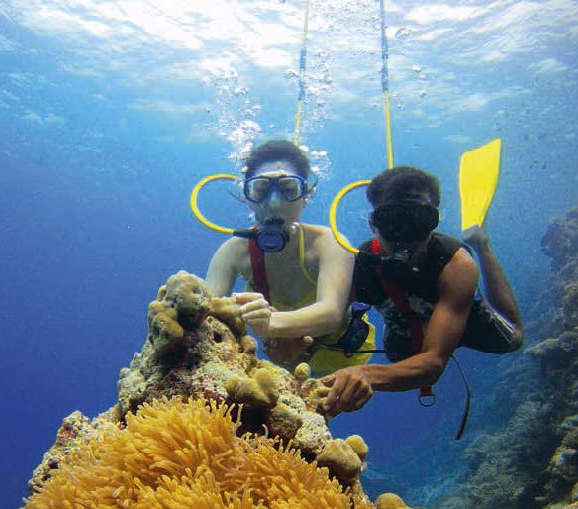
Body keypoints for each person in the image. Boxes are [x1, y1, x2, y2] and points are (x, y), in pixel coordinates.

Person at [321, 165, 523, 416]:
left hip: (465, 322)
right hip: (404, 333)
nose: (405, 237)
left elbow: (433, 364)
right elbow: (326, 316)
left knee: (514, 339)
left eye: (418, 221)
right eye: (393, 222)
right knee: (399, 357)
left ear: (434, 223)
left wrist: (365, 373)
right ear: (374, 224)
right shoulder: (359, 264)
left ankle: (482, 245)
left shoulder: (457, 264)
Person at [206, 139, 375, 374]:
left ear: (306, 195)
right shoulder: (232, 252)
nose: (274, 204)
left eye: (289, 190)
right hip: (285, 370)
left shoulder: (330, 243)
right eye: (261, 190)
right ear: (247, 196)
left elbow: (331, 313)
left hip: (344, 360)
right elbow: (205, 316)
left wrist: (270, 324)